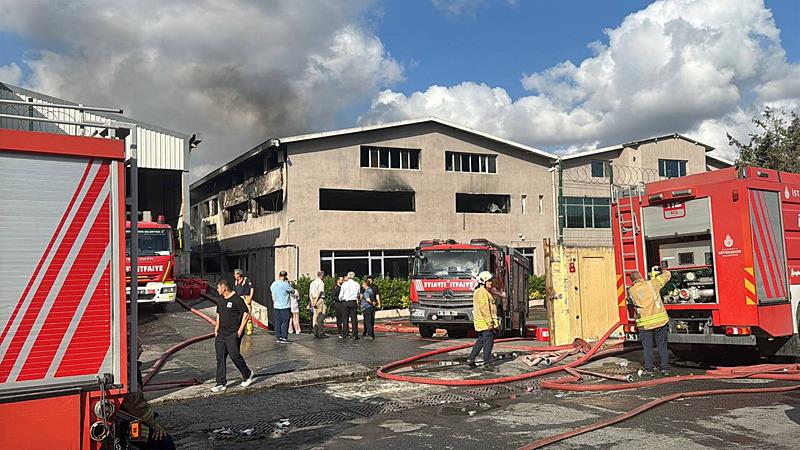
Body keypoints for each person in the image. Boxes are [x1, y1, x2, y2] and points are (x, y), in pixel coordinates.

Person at [121, 339, 176, 450]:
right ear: (127, 350)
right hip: (126, 422)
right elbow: (136, 405)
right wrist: (155, 427)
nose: (142, 350)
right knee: (165, 442)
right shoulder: (125, 372)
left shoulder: (127, 367)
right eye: (138, 347)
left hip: (124, 418)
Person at [211, 280, 255, 392]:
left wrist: (240, 330)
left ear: (224, 288)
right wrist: (216, 329)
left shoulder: (237, 299)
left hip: (233, 333)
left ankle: (247, 374)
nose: (217, 290)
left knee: (234, 355)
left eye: (218, 288)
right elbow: (219, 315)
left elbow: (246, 313)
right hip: (221, 333)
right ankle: (221, 382)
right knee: (220, 357)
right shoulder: (220, 300)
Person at [628, 269, 672, 376]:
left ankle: (649, 370)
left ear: (632, 281)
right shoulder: (652, 283)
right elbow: (667, 275)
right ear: (641, 276)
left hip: (644, 324)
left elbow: (630, 302)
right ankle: (665, 369)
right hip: (660, 322)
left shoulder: (631, 291)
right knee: (662, 346)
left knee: (647, 348)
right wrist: (663, 270)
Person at [467, 271, 499, 372]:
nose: (491, 283)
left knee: (481, 341)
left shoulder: (483, 292)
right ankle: (487, 364)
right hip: (485, 323)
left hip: (482, 322)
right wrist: (490, 323)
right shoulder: (482, 292)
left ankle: (471, 359)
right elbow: (484, 309)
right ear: (483, 282)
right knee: (488, 343)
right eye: (489, 281)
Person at [270, 270, 294, 343]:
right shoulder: (285, 284)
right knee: (285, 321)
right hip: (285, 306)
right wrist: (289, 284)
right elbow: (292, 291)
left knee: (278, 322)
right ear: (285, 276)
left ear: (279, 275)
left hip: (276, 305)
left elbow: (272, 293)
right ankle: (284, 337)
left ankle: (278, 336)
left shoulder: (273, 284)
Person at [338, 272, 360, 340]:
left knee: (345, 319)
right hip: (353, 302)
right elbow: (358, 293)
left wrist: (341, 299)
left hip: (345, 302)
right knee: (354, 319)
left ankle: (345, 334)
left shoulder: (344, 284)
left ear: (347, 276)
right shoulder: (356, 284)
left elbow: (341, 295)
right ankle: (355, 334)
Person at [232, 269, 255, 336]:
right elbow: (234, 291)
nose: (234, 276)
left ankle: (249, 329)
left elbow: (252, 288)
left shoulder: (246, 280)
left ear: (238, 274)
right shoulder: (236, 282)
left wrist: (250, 298)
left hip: (246, 298)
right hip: (239, 298)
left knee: (248, 314)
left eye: (235, 274)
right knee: (239, 314)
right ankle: (240, 329)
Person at [309, 271, 327, 338]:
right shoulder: (321, 282)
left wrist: (312, 301)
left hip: (313, 299)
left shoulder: (312, 283)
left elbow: (310, 293)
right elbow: (319, 292)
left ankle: (315, 332)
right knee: (320, 316)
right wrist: (316, 301)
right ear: (322, 275)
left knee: (315, 316)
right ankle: (320, 333)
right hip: (319, 299)